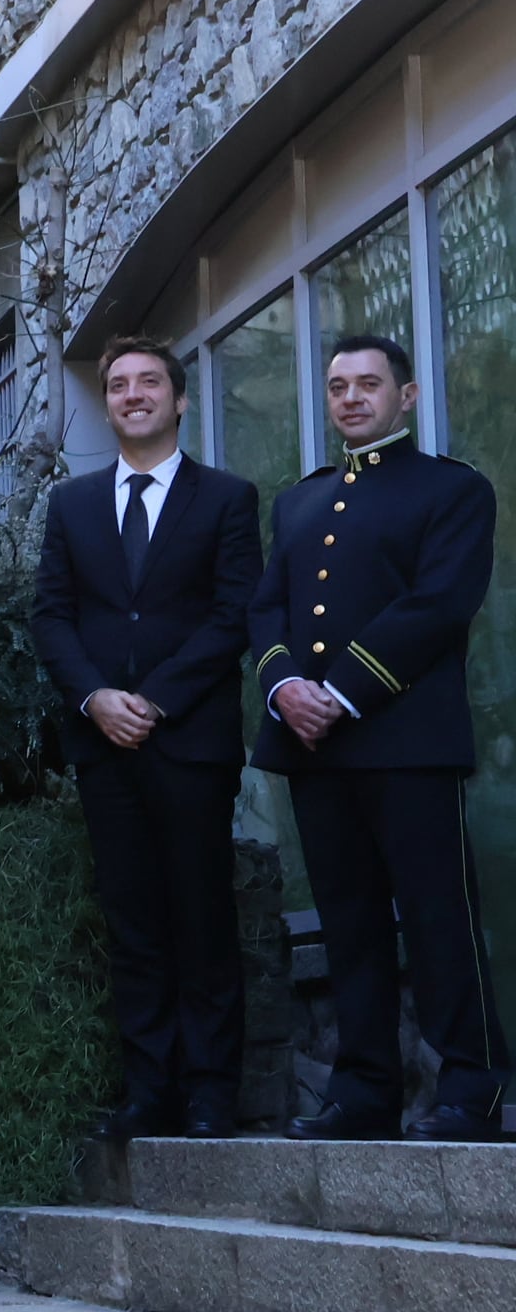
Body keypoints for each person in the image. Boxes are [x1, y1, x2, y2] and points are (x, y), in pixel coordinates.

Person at [251, 335, 510, 1142]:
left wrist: (341, 690)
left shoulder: (451, 490)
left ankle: (473, 1087)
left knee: (439, 919)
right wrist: (284, 684)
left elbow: (439, 604)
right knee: (350, 923)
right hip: (312, 747)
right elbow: (266, 611)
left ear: (407, 395)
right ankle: (363, 1092)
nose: (352, 398)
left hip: (405, 739)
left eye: (369, 384)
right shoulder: (297, 501)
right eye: (338, 387)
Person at [31, 337, 262, 1145]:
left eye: (149, 383)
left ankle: (208, 1092)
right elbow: (51, 617)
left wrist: (152, 701)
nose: (133, 395)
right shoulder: (73, 504)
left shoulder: (228, 498)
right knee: (131, 923)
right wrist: (96, 698)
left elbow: (234, 615)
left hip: (188, 741)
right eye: (119, 385)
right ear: (108, 402)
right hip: (103, 745)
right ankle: (148, 1091)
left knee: (200, 918)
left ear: (179, 399)